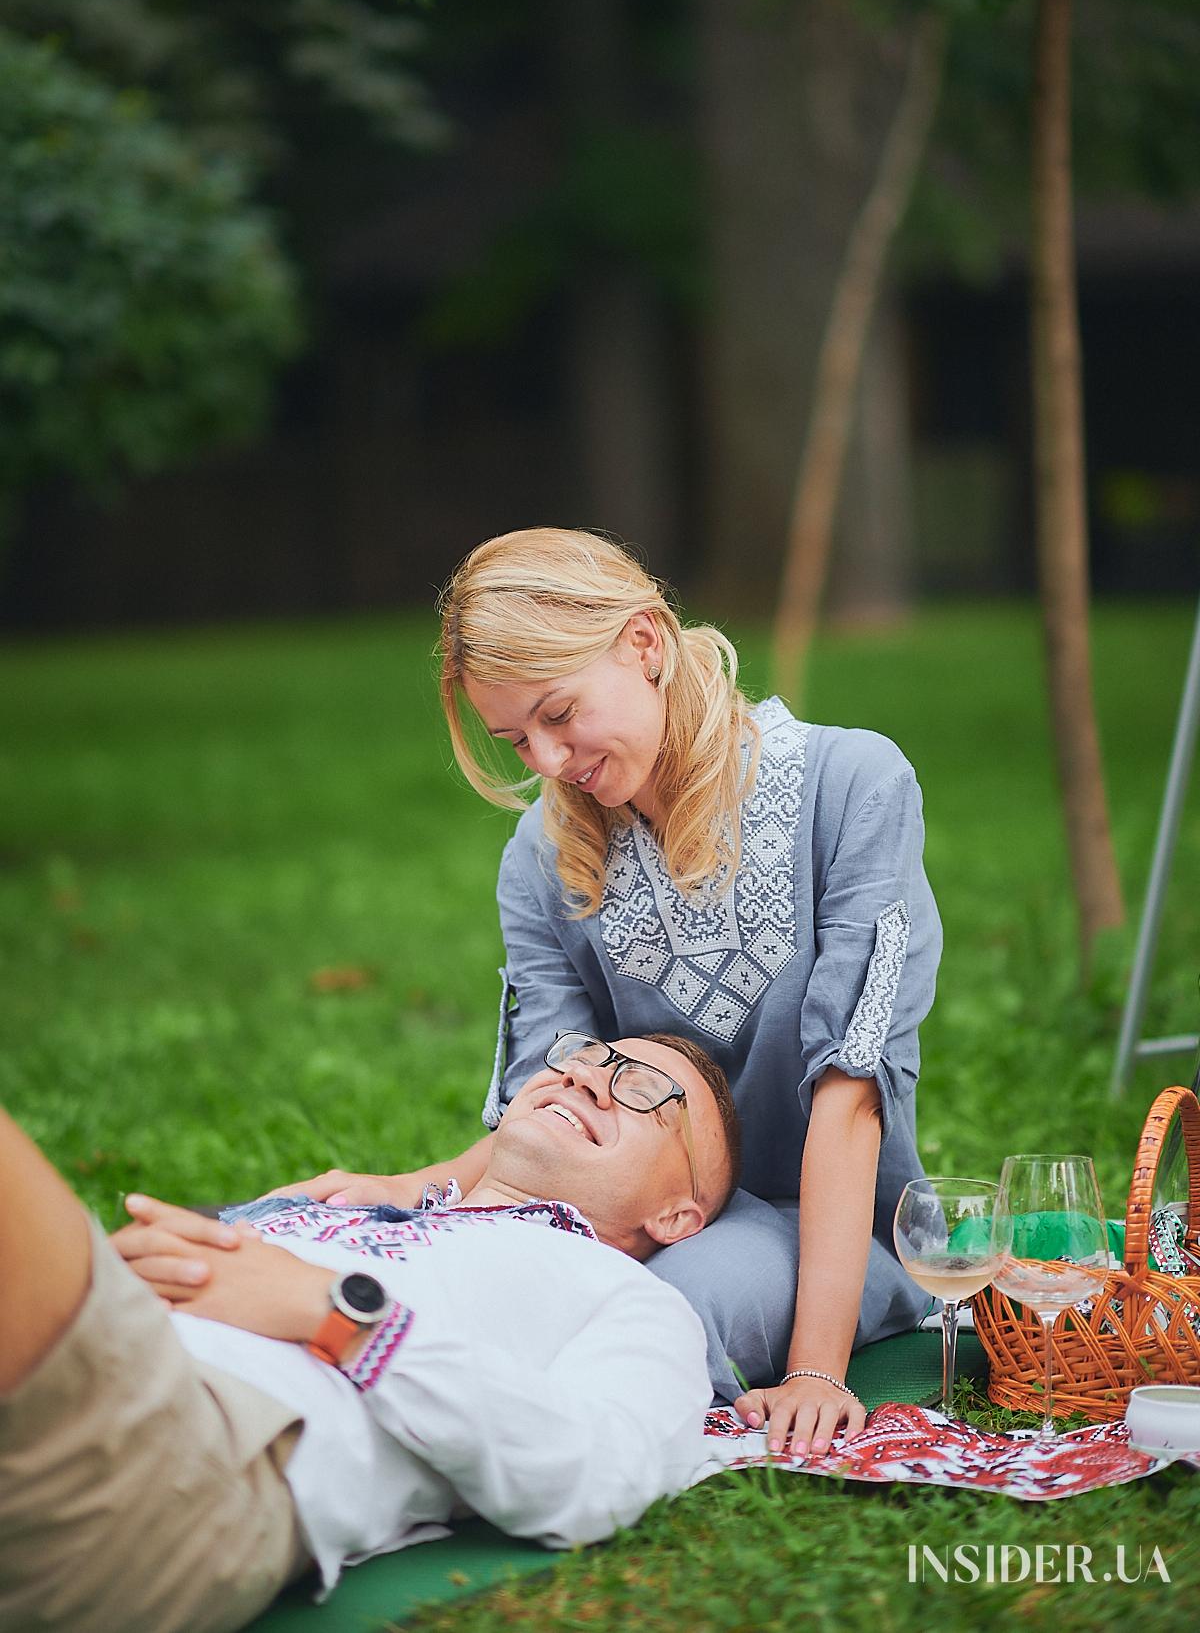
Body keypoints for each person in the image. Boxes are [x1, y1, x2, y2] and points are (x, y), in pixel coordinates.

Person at [272, 527, 941, 1461]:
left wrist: (817, 1371)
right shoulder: (541, 858)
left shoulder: (853, 787)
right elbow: (543, 1103)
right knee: (478, 1275)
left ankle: (415, 1418)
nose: (545, 761)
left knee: (653, 1311)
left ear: (645, 644)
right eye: (516, 739)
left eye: (559, 714)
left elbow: (850, 1092)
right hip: (618, 1211)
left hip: (821, 1215)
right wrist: (404, 1196)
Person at [0, 1032, 737, 1633]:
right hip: (110, 1360)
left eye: (643, 1091)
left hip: (198, 1455)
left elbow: (598, 1476)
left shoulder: (633, 1300)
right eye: (585, 1057)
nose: (586, 1079)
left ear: (677, 1215)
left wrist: (338, 1316)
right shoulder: (359, 1206)